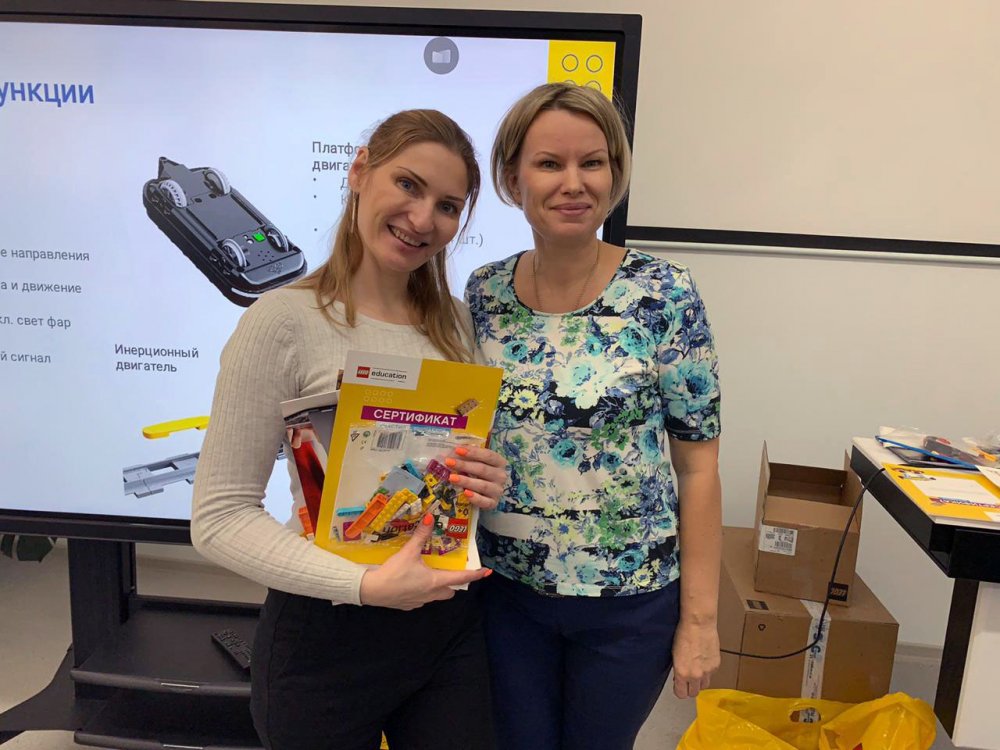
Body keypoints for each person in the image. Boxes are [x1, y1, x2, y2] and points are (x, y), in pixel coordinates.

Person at [192, 109, 507, 750]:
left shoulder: (458, 324)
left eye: (448, 206)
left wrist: (486, 478)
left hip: (447, 629)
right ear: (360, 171)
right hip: (325, 637)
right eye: (408, 185)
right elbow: (219, 518)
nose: (423, 219)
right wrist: (362, 585)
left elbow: (454, 472)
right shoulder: (283, 321)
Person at [465, 83, 723, 750]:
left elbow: (698, 468)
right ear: (512, 178)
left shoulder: (664, 293)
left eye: (593, 162)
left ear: (616, 173)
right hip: (507, 592)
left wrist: (700, 620)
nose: (573, 183)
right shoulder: (484, 292)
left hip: (630, 603)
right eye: (549, 163)